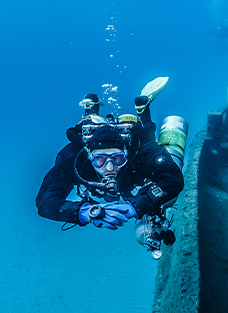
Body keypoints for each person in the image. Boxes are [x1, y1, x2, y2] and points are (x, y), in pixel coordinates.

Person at [36, 78, 184, 250]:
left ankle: (143, 110)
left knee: (147, 136)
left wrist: (135, 205)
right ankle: (90, 109)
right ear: (89, 157)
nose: (110, 167)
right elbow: (45, 201)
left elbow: (173, 178)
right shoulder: (75, 159)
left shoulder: (137, 152)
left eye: (117, 158)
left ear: (126, 154)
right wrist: (84, 212)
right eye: (100, 160)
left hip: (136, 156)